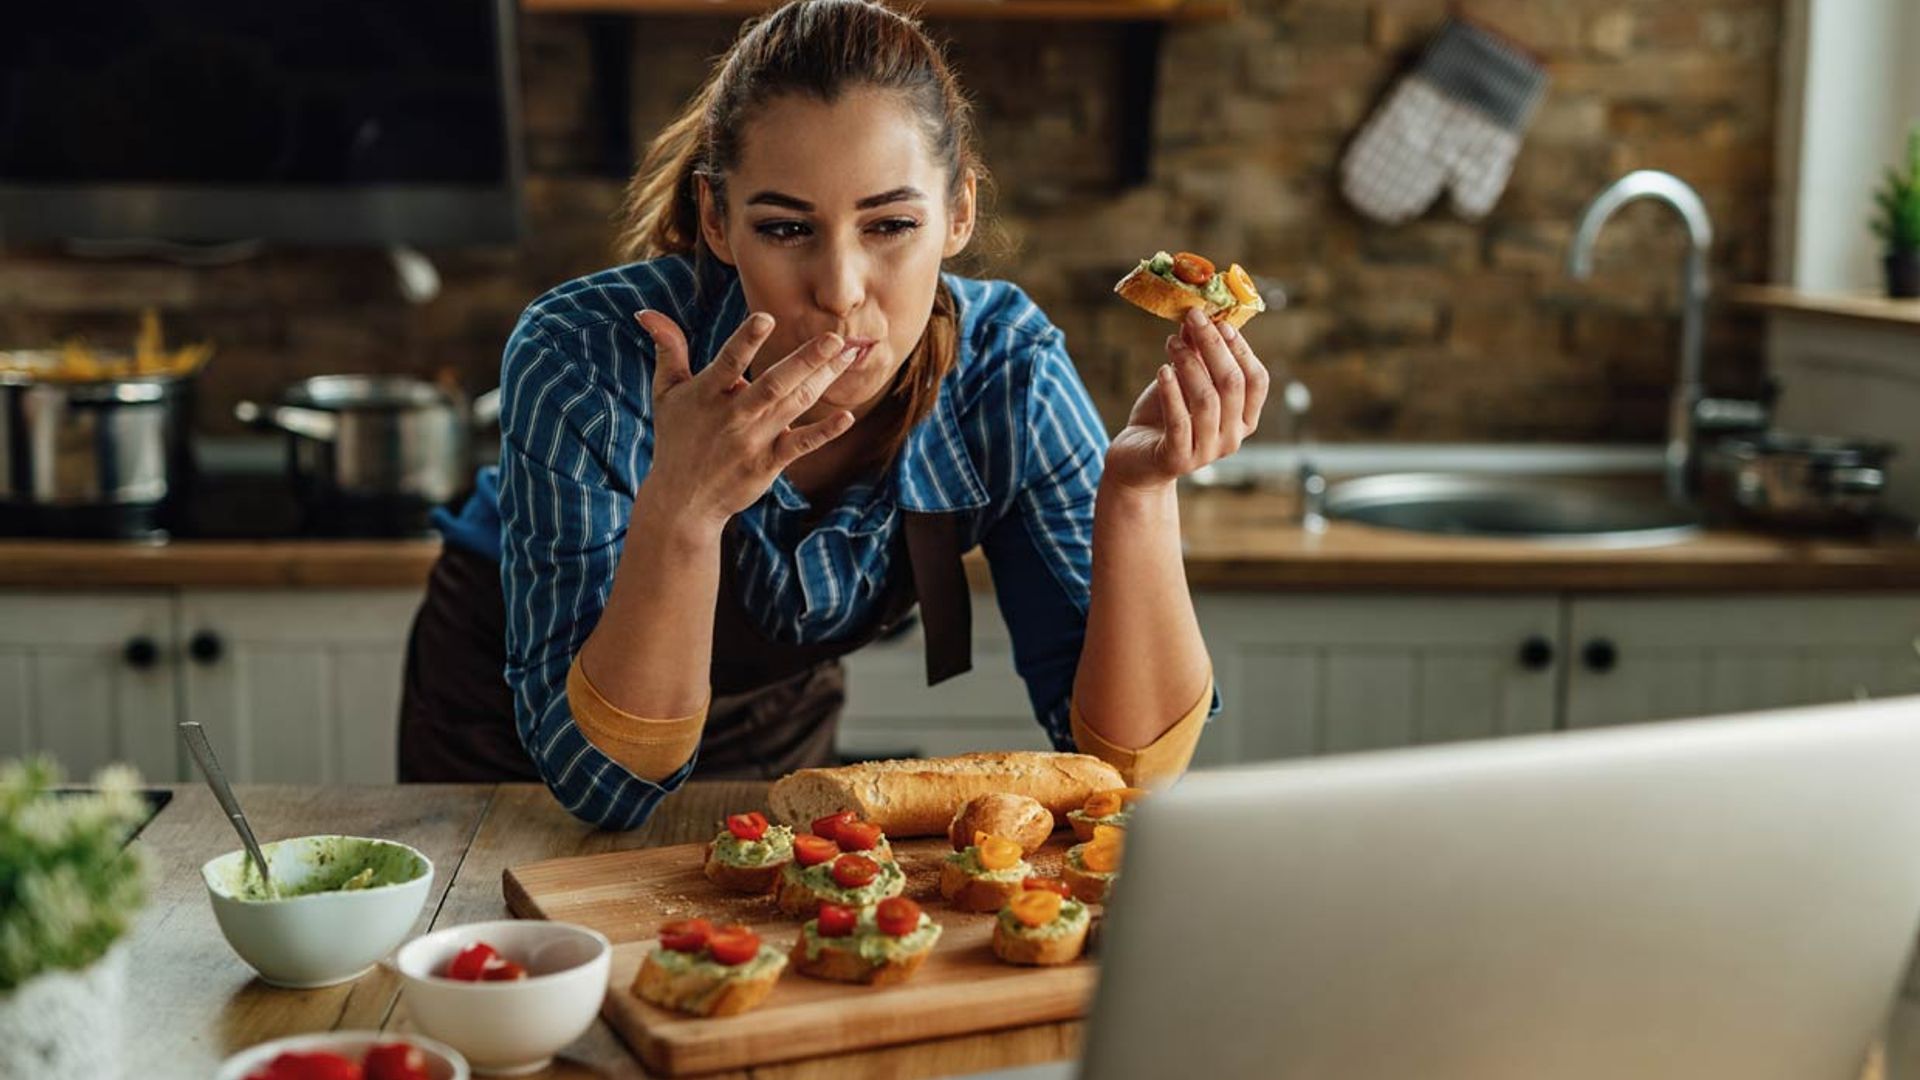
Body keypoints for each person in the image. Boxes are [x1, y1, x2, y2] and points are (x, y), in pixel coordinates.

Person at [398, 0, 1270, 829]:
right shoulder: (582, 354)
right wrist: (684, 509)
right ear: (715, 217)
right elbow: (602, 789)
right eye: (785, 230)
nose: (840, 291)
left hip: (775, 716)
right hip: (512, 732)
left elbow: (1127, 775)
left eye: (889, 225)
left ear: (958, 212)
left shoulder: (1007, 370)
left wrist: (1139, 494)